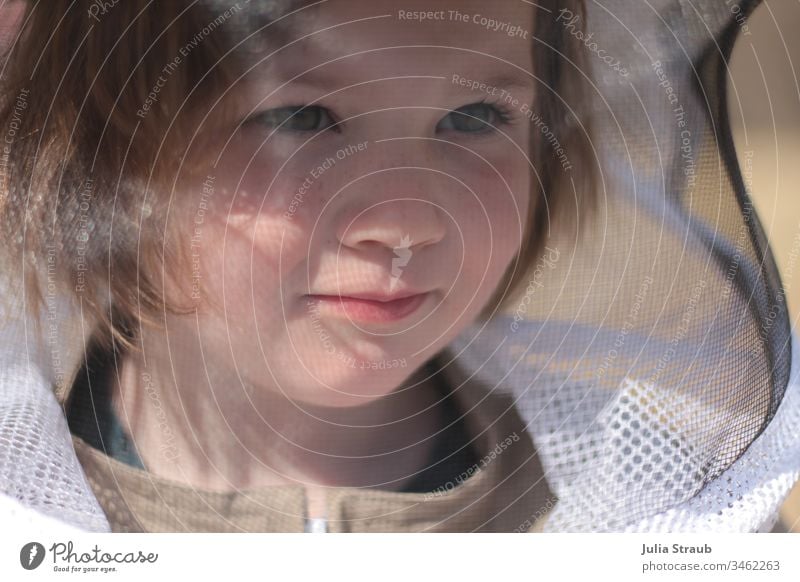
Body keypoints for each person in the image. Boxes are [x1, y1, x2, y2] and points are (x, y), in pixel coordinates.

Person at [0, 0, 798, 534]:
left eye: (475, 117)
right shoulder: (22, 498)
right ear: (97, 159)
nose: (407, 218)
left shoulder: (660, 493)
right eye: (298, 116)